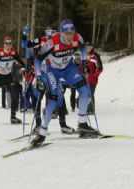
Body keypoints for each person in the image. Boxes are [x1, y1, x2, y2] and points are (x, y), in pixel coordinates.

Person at [31, 19, 100, 147]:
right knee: (53, 100)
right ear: (61, 32)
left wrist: (84, 62)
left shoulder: (77, 38)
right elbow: (38, 60)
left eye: (71, 33)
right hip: (53, 70)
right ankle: (42, 133)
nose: (69, 36)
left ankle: (83, 124)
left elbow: (83, 47)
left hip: (68, 68)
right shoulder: (51, 43)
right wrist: (39, 77)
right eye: (66, 33)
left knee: (85, 91)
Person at [22, 26, 75, 134]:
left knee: (60, 97)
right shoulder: (40, 40)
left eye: (52, 35)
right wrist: (24, 35)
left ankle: (63, 125)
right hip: (42, 73)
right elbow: (25, 45)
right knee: (36, 96)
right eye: (47, 35)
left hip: (53, 73)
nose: (49, 37)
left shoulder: (60, 43)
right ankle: (38, 125)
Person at [84, 42, 103, 114]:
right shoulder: (84, 56)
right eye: (86, 47)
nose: (88, 48)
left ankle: (91, 110)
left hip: (92, 80)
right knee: (85, 94)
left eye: (89, 46)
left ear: (92, 47)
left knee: (90, 94)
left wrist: (93, 76)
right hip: (84, 79)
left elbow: (100, 68)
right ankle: (87, 109)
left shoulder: (95, 56)